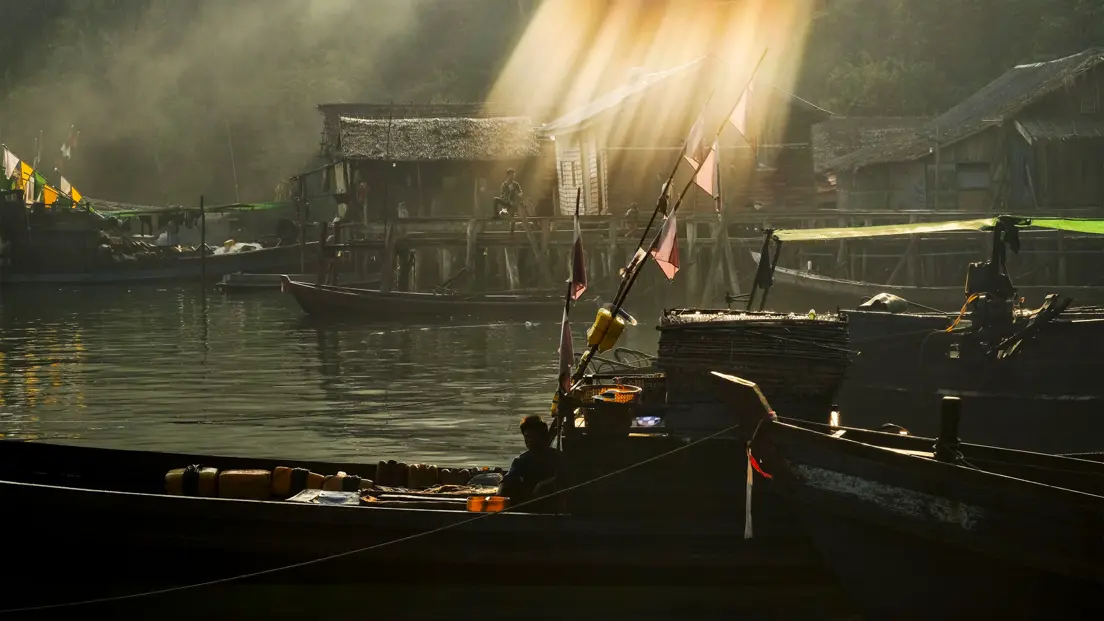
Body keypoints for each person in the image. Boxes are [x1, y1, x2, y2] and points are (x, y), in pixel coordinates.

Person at [497, 415, 562, 507]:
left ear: (543, 437)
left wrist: (546, 484)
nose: (529, 440)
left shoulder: (558, 457)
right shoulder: (521, 461)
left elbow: (566, 477)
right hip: (529, 504)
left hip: (553, 504)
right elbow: (506, 482)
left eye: (533, 436)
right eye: (527, 437)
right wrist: (498, 498)